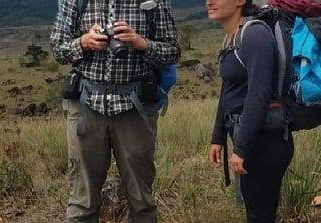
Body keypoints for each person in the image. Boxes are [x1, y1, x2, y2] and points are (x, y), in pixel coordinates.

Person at [50, 0, 180, 222]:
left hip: (135, 107)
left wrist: (142, 43)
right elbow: (57, 48)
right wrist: (84, 42)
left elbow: (173, 51)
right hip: (87, 105)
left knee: (142, 200)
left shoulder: (154, 2)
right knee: (82, 201)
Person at [206, 0, 294, 222]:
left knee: (260, 214)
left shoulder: (254, 35)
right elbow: (228, 91)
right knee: (256, 209)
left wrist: (242, 149)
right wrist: (218, 138)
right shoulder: (231, 37)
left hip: (267, 142)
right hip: (251, 136)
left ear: (240, 1)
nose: (209, 1)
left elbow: (259, 94)